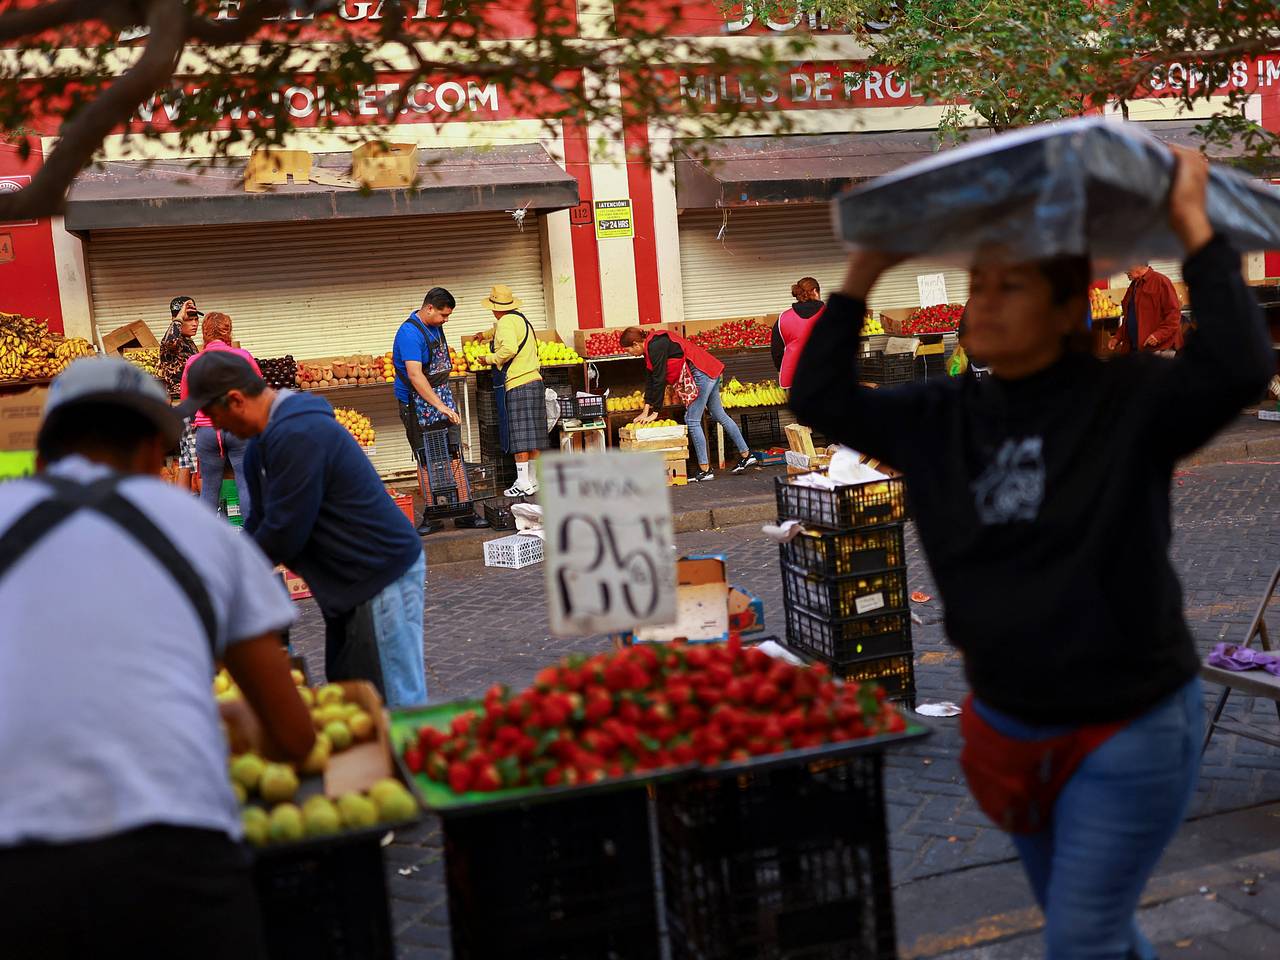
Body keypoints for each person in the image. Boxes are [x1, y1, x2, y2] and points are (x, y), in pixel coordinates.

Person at [789, 149, 1273, 960]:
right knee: (1095, 930)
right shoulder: (937, 414)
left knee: (1080, 941)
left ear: (1064, 311)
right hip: (1006, 732)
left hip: (1130, 725)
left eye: (1008, 287)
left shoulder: (1126, 404)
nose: (984, 301)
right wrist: (867, 265)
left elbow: (1240, 364)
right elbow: (819, 397)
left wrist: (1194, 223)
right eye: (978, 285)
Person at [0, 356, 314, 959]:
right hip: (176, 864)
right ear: (154, 454)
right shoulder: (205, 534)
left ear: (42, 455)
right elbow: (295, 736)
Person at [182, 351, 430, 708]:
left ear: (235, 400)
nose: (217, 430)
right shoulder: (259, 447)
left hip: (378, 575)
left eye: (215, 417)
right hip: (345, 585)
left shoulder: (299, 432)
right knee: (352, 692)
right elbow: (258, 525)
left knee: (393, 701)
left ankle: (407, 757)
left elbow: (285, 530)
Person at [620, 325, 758, 482]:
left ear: (636, 344)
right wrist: (645, 411)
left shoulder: (656, 346)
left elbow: (659, 379)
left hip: (701, 373)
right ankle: (747, 455)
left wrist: (655, 412)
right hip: (708, 370)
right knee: (719, 414)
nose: (628, 353)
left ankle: (705, 469)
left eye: (628, 350)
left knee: (692, 420)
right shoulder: (652, 345)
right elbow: (651, 379)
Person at [392, 288, 473, 534]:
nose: (445, 320)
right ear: (429, 308)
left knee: (453, 450)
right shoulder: (409, 333)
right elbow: (415, 375)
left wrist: (444, 402)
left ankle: (464, 510)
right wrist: (440, 406)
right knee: (425, 455)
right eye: (443, 315)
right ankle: (432, 514)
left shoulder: (435, 326)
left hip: (441, 394)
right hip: (416, 402)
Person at [181, 311, 262, 518]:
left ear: (204, 333)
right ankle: (251, 540)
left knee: (209, 488)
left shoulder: (193, 362)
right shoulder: (243, 357)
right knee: (245, 484)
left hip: (207, 432)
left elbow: (186, 402)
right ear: (228, 331)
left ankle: (207, 543)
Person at [480, 284, 545, 497]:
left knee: (519, 435)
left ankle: (522, 482)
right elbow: (502, 333)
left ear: (494, 307)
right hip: (534, 381)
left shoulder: (506, 322)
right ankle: (533, 481)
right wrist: (484, 335)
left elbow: (508, 348)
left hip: (518, 383)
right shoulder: (519, 319)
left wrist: (489, 358)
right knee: (534, 433)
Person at [160, 296, 202, 491]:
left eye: (196, 318)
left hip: (187, 408)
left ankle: (185, 508)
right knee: (198, 463)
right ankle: (210, 513)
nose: (195, 323)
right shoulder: (172, 343)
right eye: (189, 319)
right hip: (186, 408)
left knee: (186, 462)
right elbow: (168, 342)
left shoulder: (189, 343)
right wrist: (178, 318)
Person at [1110, 262, 1182, 354]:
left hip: (1159, 349)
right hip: (1138, 350)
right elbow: (1128, 318)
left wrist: (1158, 335)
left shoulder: (1161, 281)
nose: (1125, 272)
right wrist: (1117, 337)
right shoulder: (1134, 286)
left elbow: (1174, 315)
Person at [776, 276, 826, 390]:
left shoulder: (783, 317)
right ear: (815, 291)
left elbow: (777, 351)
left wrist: (780, 369)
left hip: (794, 377)